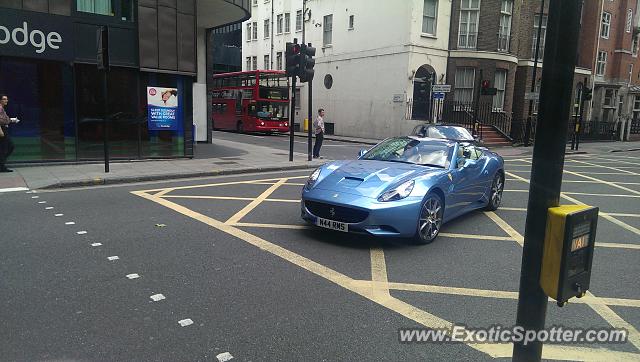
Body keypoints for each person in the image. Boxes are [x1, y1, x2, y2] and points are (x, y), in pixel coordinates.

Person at [0, 94, 20, 173]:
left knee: (5, 147)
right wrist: (8, 121)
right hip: (2, 129)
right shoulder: (0, 108)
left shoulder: (2, 108)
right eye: (4, 99)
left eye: (6, 99)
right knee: (8, 147)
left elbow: (5, 119)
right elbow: (2, 120)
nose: (6, 100)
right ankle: (1, 165)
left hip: (3, 129)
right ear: (0, 100)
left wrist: (11, 120)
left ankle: (1, 164)